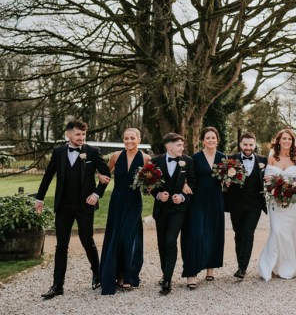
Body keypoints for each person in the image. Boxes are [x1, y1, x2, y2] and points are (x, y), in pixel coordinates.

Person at [35, 119, 111, 299]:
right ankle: (57, 285)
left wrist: (96, 194)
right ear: (68, 134)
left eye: (83, 134)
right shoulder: (59, 152)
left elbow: (106, 174)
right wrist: (40, 198)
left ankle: (97, 274)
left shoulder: (92, 151)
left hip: (85, 205)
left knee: (87, 241)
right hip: (63, 206)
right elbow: (48, 176)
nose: (81, 138)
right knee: (61, 245)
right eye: (78, 134)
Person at [99, 128, 151, 295]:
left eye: (132, 138)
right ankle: (116, 274)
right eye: (126, 138)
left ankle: (128, 275)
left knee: (128, 237)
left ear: (139, 139)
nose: (129, 141)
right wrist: (99, 180)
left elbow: (151, 181)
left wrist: (150, 186)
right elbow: (105, 175)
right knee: (116, 236)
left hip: (134, 202)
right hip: (117, 201)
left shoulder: (145, 158)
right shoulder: (116, 156)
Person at [257, 129, 296, 281]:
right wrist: (269, 181)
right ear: (279, 140)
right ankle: (269, 265)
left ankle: (289, 265)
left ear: (293, 142)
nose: (287, 141)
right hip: (275, 200)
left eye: (290, 139)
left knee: (289, 231)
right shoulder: (272, 158)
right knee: (277, 230)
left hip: (293, 201)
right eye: (284, 138)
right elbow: (267, 180)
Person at [181, 126, 226, 287]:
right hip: (198, 200)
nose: (211, 140)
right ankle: (191, 273)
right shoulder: (195, 158)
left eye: (213, 137)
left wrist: (228, 180)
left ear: (217, 140)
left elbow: (228, 179)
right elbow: (186, 176)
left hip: (216, 199)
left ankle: (210, 269)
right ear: (202, 141)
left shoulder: (223, 158)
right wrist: (184, 184)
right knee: (196, 234)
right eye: (207, 138)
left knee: (214, 233)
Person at [151, 133, 195, 295]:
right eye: (179, 145)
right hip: (161, 210)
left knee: (170, 240)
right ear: (169, 146)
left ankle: (167, 280)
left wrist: (182, 196)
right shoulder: (155, 162)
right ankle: (165, 274)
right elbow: (148, 183)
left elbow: (193, 182)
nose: (182, 148)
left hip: (178, 210)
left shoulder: (188, 161)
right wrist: (157, 194)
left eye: (182, 145)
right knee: (162, 243)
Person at [224, 132, 268, 279]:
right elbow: (223, 179)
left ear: (255, 144)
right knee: (238, 234)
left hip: (254, 205)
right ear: (240, 145)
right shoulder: (231, 159)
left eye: (251, 144)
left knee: (248, 233)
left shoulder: (263, 160)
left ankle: (242, 268)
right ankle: (240, 264)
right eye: (245, 144)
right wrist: (226, 182)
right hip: (236, 204)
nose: (248, 147)